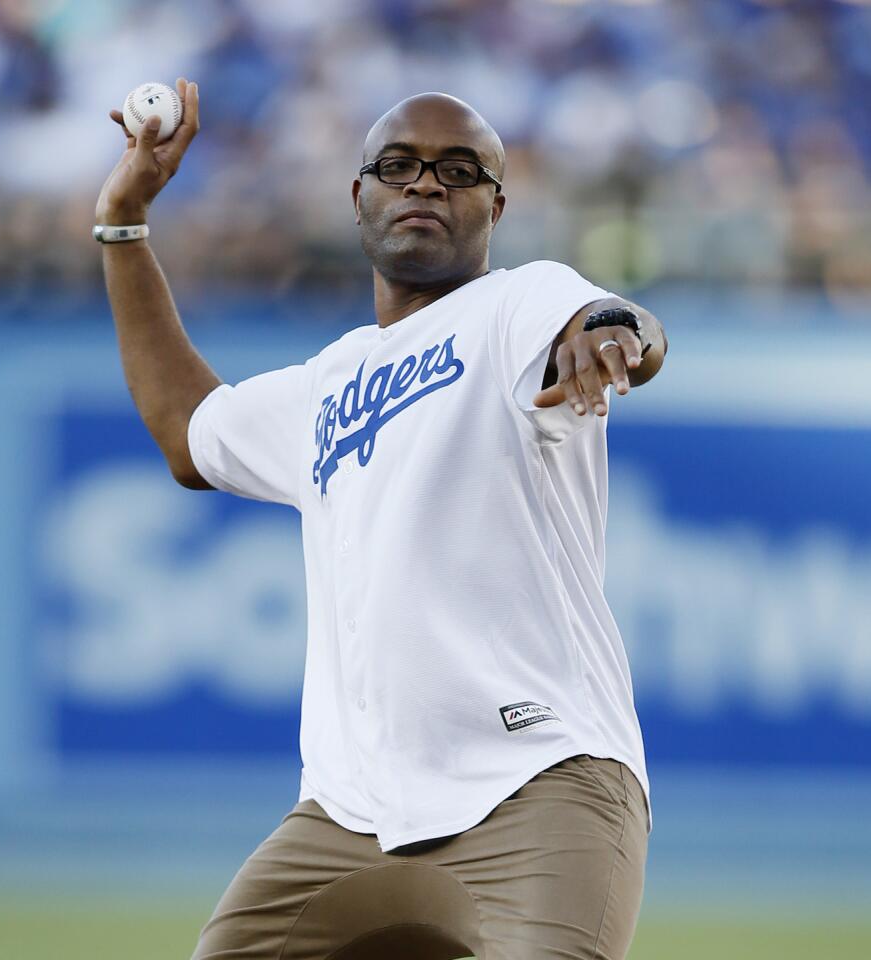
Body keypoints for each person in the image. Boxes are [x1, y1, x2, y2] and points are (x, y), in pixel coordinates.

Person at [95, 77, 667, 960]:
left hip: (537, 784)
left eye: (457, 170)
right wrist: (124, 227)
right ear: (359, 196)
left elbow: (606, 317)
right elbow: (187, 432)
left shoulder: (513, 307)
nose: (425, 184)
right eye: (397, 167)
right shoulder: (326, 383)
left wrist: (612, 334)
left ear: (496, 205)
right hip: (347, 818)